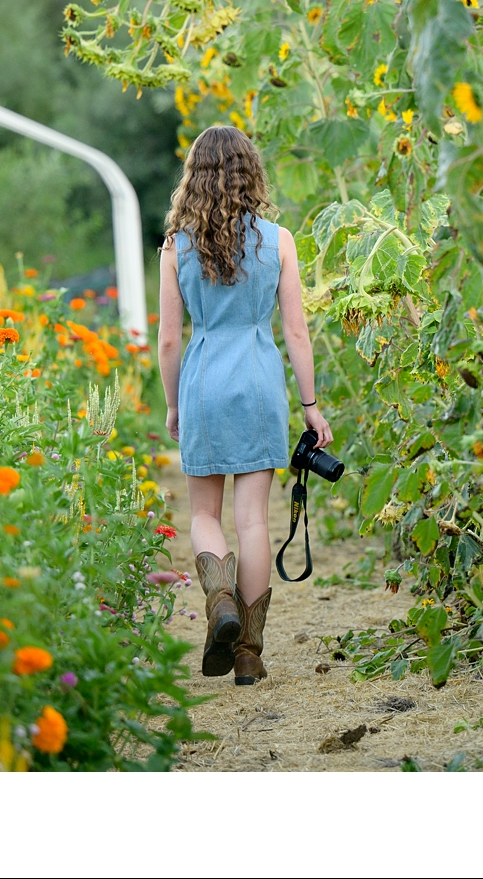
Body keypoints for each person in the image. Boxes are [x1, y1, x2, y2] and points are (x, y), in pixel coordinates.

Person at [158, 125, 330, 685]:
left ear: (195, 179)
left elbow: (167, 339)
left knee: (204, 515)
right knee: (253, 520)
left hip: (204, 381)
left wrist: (173, 405)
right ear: (250, 173)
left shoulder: (175, 248)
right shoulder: (278, 239)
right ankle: (250, 651)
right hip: (259, 381)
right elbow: (297, 332)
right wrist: (310, 404)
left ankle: (220, 603)